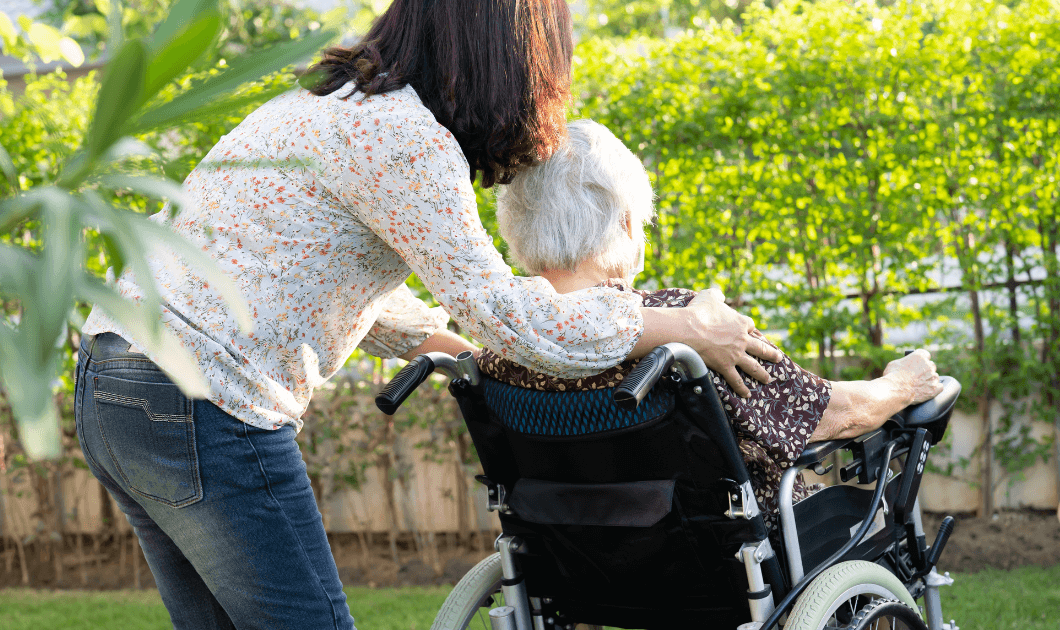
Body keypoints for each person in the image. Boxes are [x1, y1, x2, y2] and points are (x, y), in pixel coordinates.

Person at [72, 2, 784, 629]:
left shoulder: (328, 103)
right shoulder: (405, 137)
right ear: (508, 54)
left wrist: (449, 343)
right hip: (205, 397)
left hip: (116, 384)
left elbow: (321, 287)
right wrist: (682, 326)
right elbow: (512, 317)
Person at [475, 119, 945, 517]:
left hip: (583, 568)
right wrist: (904, 385)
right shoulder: (687, 327)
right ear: (624, 222)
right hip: (732, 567)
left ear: (516, 226)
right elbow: (830, 415)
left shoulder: (501, 348)